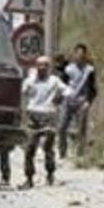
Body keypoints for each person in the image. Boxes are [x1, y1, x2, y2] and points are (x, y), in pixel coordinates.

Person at [21, 55, 72, 188]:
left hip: (48, 116)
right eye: (39, 65)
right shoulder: (30, 81)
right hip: (33, 117)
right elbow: (22, 92)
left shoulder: (54, 81)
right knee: (29, 148)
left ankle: (50, 175)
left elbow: (68, 91)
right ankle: (29, 178)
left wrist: (59, 98)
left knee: (48, 148)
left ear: (49, 67)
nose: (41, 68)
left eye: (45, 65)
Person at [57, 43, 97, 159]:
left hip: (81, 102)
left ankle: (80, 153)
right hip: (68, 101)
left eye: (82, 54)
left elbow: (93, 88)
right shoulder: (68, 69)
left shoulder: (89, 70)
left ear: (85, 55)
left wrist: (88, 101)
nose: (79, 56)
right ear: (74, 54)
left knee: (81, 129)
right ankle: (62, 152)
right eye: (77, 53)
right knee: (62, 127)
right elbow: (61, 84)